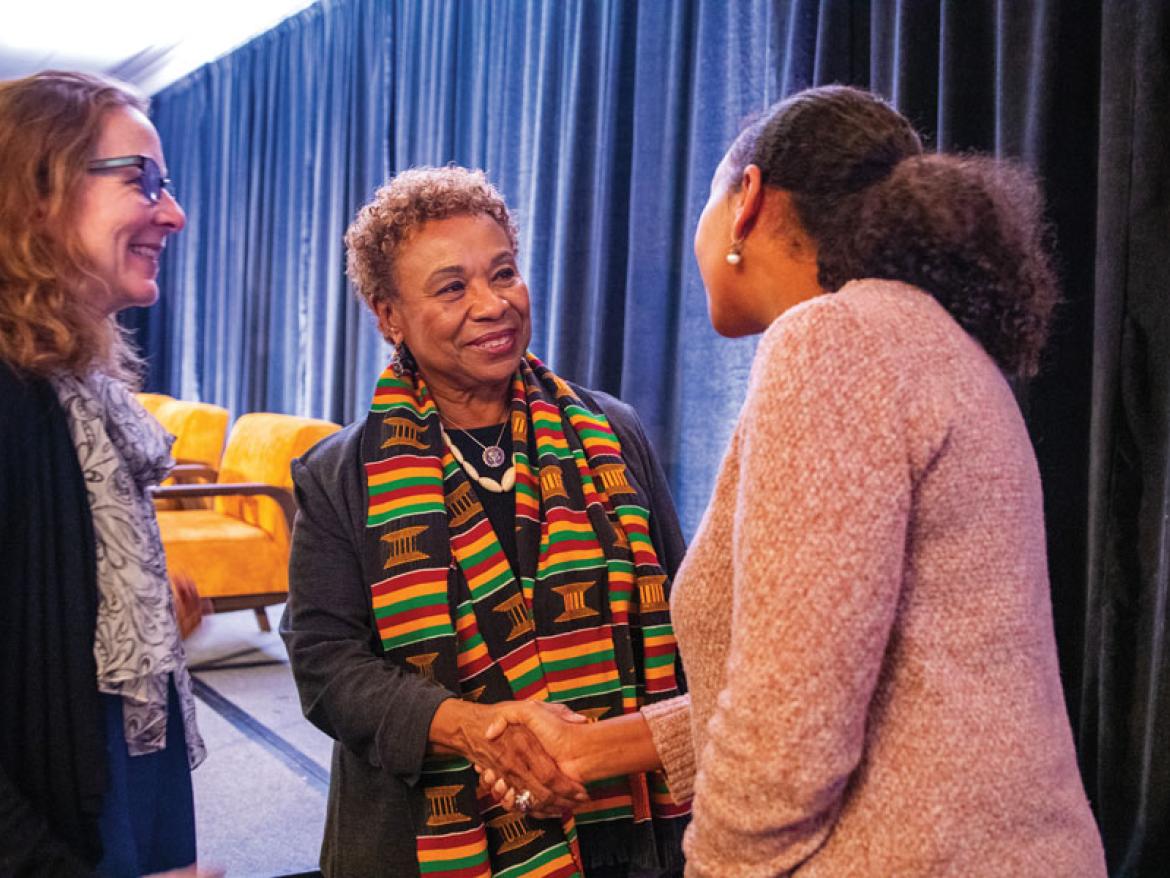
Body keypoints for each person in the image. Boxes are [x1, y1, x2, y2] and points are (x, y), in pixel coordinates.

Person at [481, 85, 1109, 876]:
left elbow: (794, 727)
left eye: (708, 200)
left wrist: (715, 866)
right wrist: (595, 748)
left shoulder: (831, 344)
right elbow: (868, 683)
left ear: (746, 201)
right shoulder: (920, 337)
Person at [280, 165, 689, 877]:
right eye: (451, 287)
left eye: (503, 273)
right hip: (423, 836)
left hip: (620, 827)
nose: (492, 303)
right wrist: (475, 731)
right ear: (389, 316)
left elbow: (686, 620)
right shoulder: (340, 474)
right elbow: (326, 665)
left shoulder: (613, 434)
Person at [0, 71, 211, 877]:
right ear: (37, 192)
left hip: (112, 760)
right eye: (142, 181)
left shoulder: (77, 394)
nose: (173, 212)